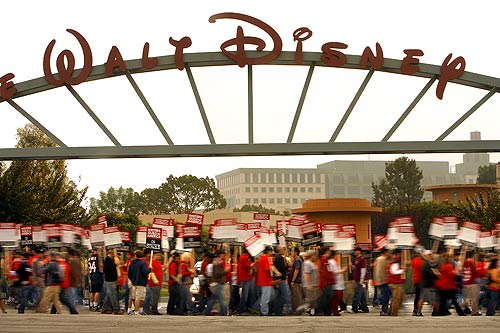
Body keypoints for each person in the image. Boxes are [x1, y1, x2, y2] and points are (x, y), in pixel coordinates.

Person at [203, 250, 229, 316]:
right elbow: (217, 273)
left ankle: (206, 312)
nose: (224, 256)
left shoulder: (218, 262)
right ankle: (224, 312)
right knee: (222, 299)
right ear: (220, 255)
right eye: (223, 254)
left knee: (213, 299)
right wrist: (225, 271)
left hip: (218, 283)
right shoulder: (216, 262)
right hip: (218, 283)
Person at [255, 246, 279, 316]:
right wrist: (276, 273)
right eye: (271, 251)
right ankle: (264, 311)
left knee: (270, 295)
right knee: (266, 297)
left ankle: (261, 308)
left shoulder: (263, 258)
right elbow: (268, 268)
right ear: (268, 251)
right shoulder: (265, 258)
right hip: (265, 280)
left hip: (266, 280)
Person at [127, 250, 151, 315]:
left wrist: (132, 279)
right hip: (141, 282)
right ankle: (137, 311)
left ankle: (133, 309)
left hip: (134, 282)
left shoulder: (132, 263)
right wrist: (149, 269)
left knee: (133, 297)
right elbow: (145, 272)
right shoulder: (142, 263)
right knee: (139, 297)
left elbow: (129, 273)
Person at [101, 249, 123, 315]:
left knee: (109, 295)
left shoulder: (111, 259)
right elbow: (107, 269)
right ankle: (116, 309)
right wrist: (115, 265)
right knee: (113, 295)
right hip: (110, 279)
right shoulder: (107, 259)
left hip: (112, 279)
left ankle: (105, 308)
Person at [300, 250, 319, 316]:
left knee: (313, 299)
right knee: (311, 299)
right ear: (312, 255)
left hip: (314, 284)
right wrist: (308, 284)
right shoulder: (307, 263)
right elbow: (306, 274)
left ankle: (311, 310)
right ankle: (309, 310)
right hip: (310, 284)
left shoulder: (311, 263)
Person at [273, 246, 291, 315]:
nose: (284, 250)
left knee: (278, 296)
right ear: (279, 250)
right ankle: (286, 310)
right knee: (286, 295)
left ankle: (278, 311)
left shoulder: (278, 257)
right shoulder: (279, 258)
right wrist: (287, 265)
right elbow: (282, 268)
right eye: (283, 249)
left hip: (279, 279)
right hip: (281, 279)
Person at [461, 251, 481, 316]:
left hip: (465, 282)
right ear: (472, 256)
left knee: (466, 298)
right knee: (474, 298)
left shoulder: (464, 263)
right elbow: (475, 273)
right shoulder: (471, 264)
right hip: (472, 283)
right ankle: (474, 311)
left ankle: (463, 307)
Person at [373, 248, 391, 316]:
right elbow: (382, 271)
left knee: (384, 295)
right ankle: (384, 310)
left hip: (379, 280)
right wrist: (385, 279)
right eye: (388, 252)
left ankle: (384, 309)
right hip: (384, 280)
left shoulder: (378, 259)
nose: (389, 254)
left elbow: (376, 270)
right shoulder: (383, 259)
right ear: (385, 252)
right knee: (385, 296)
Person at [237, 248, 254, 315]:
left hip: (247, 278)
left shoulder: (245, 257)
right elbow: (249, 266)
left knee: (248, 294)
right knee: (245, 295)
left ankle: (245, 308)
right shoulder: (244, 257)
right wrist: (256, 262)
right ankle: (241, 310)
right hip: (245, 279)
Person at [351, 247, 369, 313]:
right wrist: (352, 267)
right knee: (362, 295)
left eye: (356, 251)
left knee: (357, 294)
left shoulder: (362, 259)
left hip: (360, 280)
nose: (355, 252)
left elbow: (363, 269)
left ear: (359, 252)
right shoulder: (357, 259)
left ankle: (354, 308)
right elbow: (357, 269)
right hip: (357, 279)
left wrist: (362, 279)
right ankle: (365, 308)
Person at [388, 249, 405, 316]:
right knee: (396, 299)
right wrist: (402, 270)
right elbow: (394, 271)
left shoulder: (394, 261)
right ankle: (394, 313)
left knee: (395, 298)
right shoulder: (395, 262)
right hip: (395, 283)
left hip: (394, 282)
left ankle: (391, 311)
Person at [329, 250, 346, 316]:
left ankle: (335, 310)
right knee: (336, 298)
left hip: (338, 283)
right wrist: (342, 271)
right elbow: (334, 272)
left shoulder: (334, 262)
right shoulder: (331, 262)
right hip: (335, 283)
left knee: (337, 298)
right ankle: (335, 311)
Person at [288, 246, 304, 313]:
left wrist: (293, 280)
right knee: (296, 295)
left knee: (297, 296)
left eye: (292, 251)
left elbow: (296, 271)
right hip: (297, 281)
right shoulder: (297, 260)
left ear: (296, 252)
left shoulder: (297, 260)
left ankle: (298, 310)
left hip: (296, 281)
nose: (291, 253)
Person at [411, 251, 424, 316]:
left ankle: (415, 310)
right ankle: (418, 310)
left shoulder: (413, 261)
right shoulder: (421, 262)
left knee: (417, 296)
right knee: (420, 296)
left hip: (415, 280)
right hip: (421, 280)